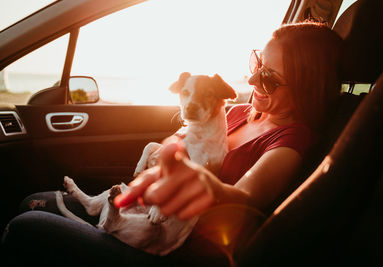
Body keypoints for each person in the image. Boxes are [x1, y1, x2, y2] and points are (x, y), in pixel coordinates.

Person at [1, 21, 343, 266]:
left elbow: (248, 197)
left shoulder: (291, 140)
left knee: (26, 227)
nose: (253, 79)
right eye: (257, 64)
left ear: (305, 86)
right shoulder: (239, 111)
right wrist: (166, 156)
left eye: (268, 77)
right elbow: (175, 142)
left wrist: (201, 180)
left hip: (173, 247)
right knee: (33, 201)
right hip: (143, 213)